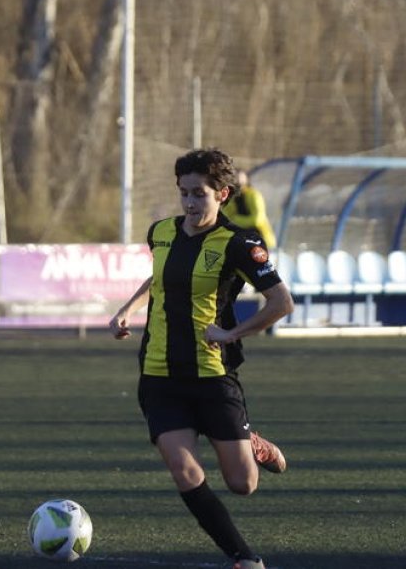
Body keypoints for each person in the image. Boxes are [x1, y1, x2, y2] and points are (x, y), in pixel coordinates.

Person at [109, 148, 294, 569]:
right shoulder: (162, 232)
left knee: (242, 484)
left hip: (212, 375)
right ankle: (244, 557)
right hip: (159, 374)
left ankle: (249, 441)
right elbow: (160, 277)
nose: (190, 204)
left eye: (200, 195)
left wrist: (232, 332)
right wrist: (127, 310)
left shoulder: (239, 244)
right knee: (184, 470)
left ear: (222, 194)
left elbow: (282, 302)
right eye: (184, 194)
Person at [221, 169, 277, 250]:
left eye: (240, 179)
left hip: (262, 240)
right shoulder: (232, 198)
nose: (238, 181)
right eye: (235, 178)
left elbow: (257, 219)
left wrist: (235, 220)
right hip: (243, 241)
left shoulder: (254, 195)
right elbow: (226, 216)